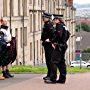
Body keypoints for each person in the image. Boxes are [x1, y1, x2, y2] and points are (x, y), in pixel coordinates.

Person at [45, 14, 69, 84]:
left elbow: (58, 35)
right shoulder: (64, 25)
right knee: (61, 62)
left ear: (58, 19)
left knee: (53, 61)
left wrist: (53, 42)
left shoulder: (59, 26)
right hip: (63, 46)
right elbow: (68, 34)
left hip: (59, 46)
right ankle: (62, 79)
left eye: (55, 19)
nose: (54, 21)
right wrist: (64, 41)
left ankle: (53, 79)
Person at [41, 12, 54, 80]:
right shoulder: (46, 24)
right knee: (48, 60)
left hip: (49, 45)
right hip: (46, 44)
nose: (43, 18)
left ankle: (51, 75)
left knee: (50, 60)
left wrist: (50, 40)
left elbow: (53, 34)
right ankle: (49, 74)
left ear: (48, 18)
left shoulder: (50, 24)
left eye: (44, 17)